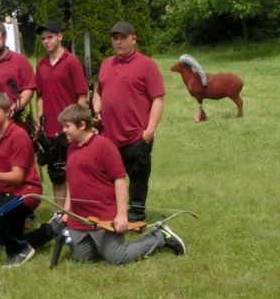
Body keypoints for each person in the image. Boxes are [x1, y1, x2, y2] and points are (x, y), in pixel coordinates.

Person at [55, 103, 184, 264]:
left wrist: (122, 215)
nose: (63, 130)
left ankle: (159, 236)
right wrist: (67, 212)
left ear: (81, 125)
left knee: (118, 257)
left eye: (67, 126)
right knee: (81, 259)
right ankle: (98, 245)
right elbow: (72, 184)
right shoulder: (71, 149)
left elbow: (120, 180)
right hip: (79, 221)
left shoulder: (104, 146)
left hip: (103, 219)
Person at [93, 20, 165, 221]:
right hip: (109, 136)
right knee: (108, 178)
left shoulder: (147, 65)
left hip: (136, 135)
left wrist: (149, 131)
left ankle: (136, 214)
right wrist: (97, 109)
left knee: (138, 179)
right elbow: (98, 92)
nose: (118, 42)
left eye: (122, 38)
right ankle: (111, 211)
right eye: (115, 38)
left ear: (133, 39)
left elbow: (158, 99)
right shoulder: (106, 64)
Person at [0, 91, 54, 266]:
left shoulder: (18, 135)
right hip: (7, 193)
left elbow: (18, 177)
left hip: (26, 192)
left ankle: (20, 249)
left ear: (7, 111)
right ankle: (47, 232)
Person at [32, 20, 87, 208]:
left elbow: (82, 96)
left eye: (50, 37)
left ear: (60, 37)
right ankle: (59, 214)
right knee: (56, 176)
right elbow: (40, 96)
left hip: (69, 129)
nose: (46, 41)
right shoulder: (41, 65)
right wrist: (40, 122)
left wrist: (76, 125)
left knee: (73, 174)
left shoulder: (71, 62)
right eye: (43, 39)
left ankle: (74, 214)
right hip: (50, 131)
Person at [0, 20, 34, 111]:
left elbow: (29, 88)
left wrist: (15, 108)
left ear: (5, 37)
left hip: (14, 115)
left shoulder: (20, 61)